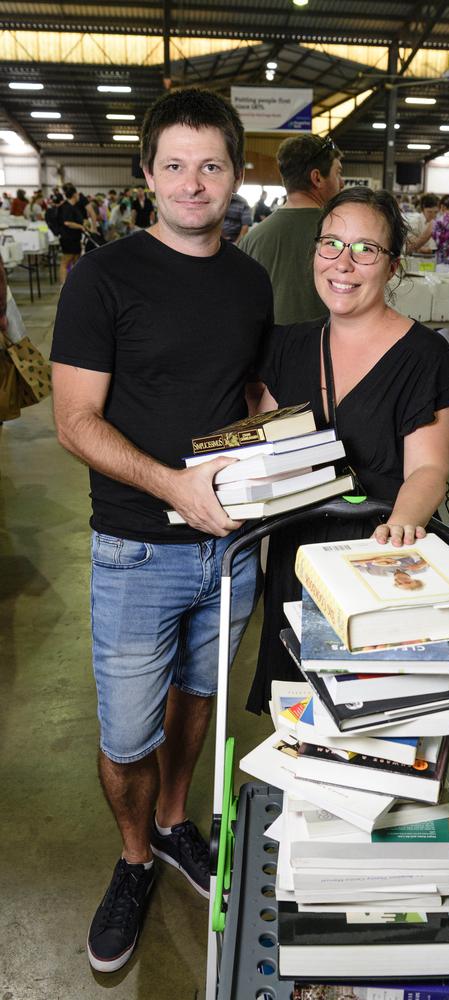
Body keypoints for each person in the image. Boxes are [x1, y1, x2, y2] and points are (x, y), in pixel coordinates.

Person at [50, 87, 273, 974]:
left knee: (198, 700)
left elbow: (247, 395)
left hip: (233, 551)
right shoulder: (102, 277)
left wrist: (286, 446)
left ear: (232, 174)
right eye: (174, 165)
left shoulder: (251, 279)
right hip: (137, 549)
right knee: (126, 733)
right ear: (146, 175)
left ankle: (178, 823)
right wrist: (173, 484)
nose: (192, 182)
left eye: (210, 165)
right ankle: (135, 859)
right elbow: (76, 420)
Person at [245, 185, 449, 713]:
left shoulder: (425, 358)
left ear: (392, 266)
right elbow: (271, 443)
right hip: (298, 560)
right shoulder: (289, 346)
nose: (343, 264)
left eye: (365, 249)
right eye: (331, 244)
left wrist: (400, 525)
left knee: (377, 721)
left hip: (380, 563)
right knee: (300, 717)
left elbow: (429, 470)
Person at [239, 134, 344, 323]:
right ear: (317, 178)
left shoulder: (252, 239)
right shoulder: (343, 233)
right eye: (338, 173)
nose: (342, 182)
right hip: (327, 348)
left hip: (269, 349)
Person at [58, 183, 86, 284]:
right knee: (66, 262)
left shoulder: (75, 207)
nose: (79, 196)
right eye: (77, 194)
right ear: (74, 194)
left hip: (75, 238)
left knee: (76, 260)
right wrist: (81, 227)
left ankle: (74, 283)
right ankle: (63, 286)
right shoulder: (66, 207)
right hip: (68, 238)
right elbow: (67, 222)